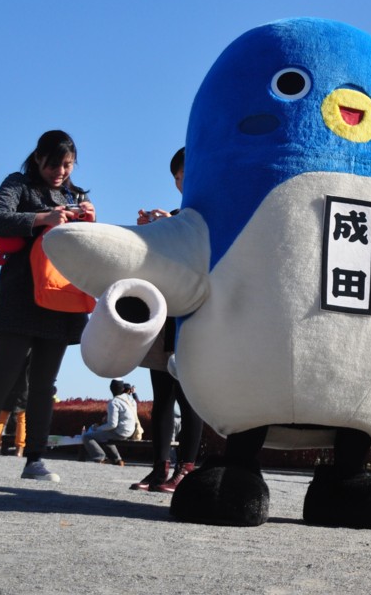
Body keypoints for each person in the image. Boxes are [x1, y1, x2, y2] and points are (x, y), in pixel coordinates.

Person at [0, 130, 95, 482]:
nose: (60, 171)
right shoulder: (18, 184)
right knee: (3, 374)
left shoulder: (74, 196)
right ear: (38, 158)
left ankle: (34, 459)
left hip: (60, 297)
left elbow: (87, 248)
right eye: (54, 164)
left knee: (45, 383)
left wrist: (89, 221)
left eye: (67, 165)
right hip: (20, 295)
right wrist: (41, 218)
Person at [129, 147, 206, 493]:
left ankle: (186, 468)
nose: (182, 180)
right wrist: (154, 232)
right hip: (165, 319)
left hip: (196, 321)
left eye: (188, 173)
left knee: (191, 398)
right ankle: (160, 467)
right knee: (162, 397)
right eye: (178, 176)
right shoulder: (174, 216)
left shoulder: (213, 214)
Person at [83, 379, 138, 465]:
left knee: (87, 437)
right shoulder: (130, 400)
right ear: (123, 389)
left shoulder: (114, 402)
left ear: (111, 389)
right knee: (106, 434)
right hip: (132, 431)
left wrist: (98, 428)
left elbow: (112, 425)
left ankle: (100, 458)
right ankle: (117, 460)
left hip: (121, 432)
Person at [0, 356, 30, 456]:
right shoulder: (30, 353)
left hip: (5, 386)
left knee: (1, 418)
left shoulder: (8, 347)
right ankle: (19, 449)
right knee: (21, 419)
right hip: (24, 387)